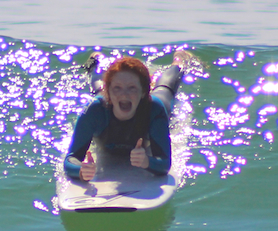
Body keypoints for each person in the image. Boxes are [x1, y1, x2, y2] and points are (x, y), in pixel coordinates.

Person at [64, 50, 191, 180]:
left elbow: (164, 164)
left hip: (151, 102)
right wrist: (81, 169)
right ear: (108, 92)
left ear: (143, 92)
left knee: (165, 88)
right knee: (97, 84)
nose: (124, 95)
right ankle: (97, 59)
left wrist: (147, 161)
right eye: (117, 88)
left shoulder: (155, 110)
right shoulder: (94, 110)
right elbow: (70, 159)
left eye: (132, 88)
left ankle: (179, 59)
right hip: (105, 98)